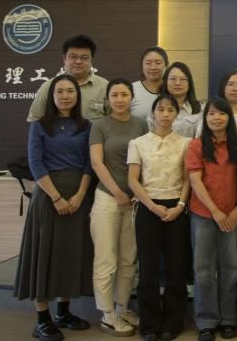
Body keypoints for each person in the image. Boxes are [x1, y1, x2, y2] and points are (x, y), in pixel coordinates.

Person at [15, 74, 94, 341]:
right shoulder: (39, 126)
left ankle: (63, 313)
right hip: (48, 198)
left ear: (77, 95)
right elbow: (36, 164)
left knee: (68, 255)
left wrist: (80, 195)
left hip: (78, 196)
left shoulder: (86, 126)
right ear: (51, 95)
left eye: (70, 91)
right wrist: (57, 198)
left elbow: (89, 164)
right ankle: (42, 320)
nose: (65, 96)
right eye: (59, 91)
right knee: (44, 256)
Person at [128, 94, 192, 341]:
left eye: (170, 110)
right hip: (148, 207)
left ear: (177, 114)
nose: (165, 114)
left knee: (176, 267)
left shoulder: (186, 143)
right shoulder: (138, 143)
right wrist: (152, 206)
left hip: (177, 207)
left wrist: (180, 205)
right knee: (148, 268)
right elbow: (133, 180)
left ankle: (173, 322)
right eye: (161, 109)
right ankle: (150, 325)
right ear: (153, 113)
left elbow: (187, 179)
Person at [89, 78, 148, 336]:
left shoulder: (141, 124)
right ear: (108, 98)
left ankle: (122, 308)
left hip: (134, 201)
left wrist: (135, 193)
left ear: (131, 97)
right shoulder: (99, 126)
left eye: (124, 94)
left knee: (128, 259)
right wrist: (117, 192)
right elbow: (97, 163)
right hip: (107, 199)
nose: (120, 99)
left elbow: (145, 160)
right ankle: (107, 314)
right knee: (106, 259)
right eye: (115, 95)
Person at [186, 98, 237, 341]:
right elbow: (195, 182)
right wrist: (215, 211)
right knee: (203, 270)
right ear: (205, 118)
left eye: (221, 113)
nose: (216, 118)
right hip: (203, 215)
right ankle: (206, 322)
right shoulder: (196, 146)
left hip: (233, 214)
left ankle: (229, 319)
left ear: (229, 117)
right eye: (211, 114)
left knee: (231, 267)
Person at [28, 34, 108, 122]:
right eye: (73, 57)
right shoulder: (48, 86)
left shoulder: (105, 87)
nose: (78, 61)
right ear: (64, 59)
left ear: (91, 59)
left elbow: (113, 121)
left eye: (84, 58)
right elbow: (35, 120)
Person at [147, 62, 202, 138]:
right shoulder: (157, 107)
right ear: (166, 81)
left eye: (183, 79)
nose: (178, 83)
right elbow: (150, 138)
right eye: (173, 79)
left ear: (189, 83)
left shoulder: (201, 109)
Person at [130, 47, 169, 121]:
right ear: (142, 65)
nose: (153, 67)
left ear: (166, 65)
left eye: (158, 63)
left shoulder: (172, 89)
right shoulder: (131, 89)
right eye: (148, 63)